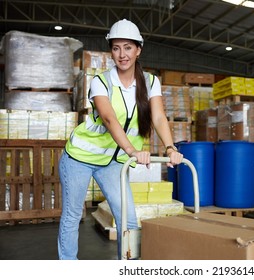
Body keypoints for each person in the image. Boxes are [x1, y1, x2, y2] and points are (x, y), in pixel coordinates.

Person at [57, 19, 183, 260]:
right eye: (116, 48)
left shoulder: (151, 82)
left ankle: (128, 267)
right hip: (80, 158)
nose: (122, 54)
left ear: (139, 49)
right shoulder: (100, 81)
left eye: (128, 47)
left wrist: (170, 147)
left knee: (128, 219)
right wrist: (132, 150)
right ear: (111, 51)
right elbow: (108, 118)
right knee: (72, 216)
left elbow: (158, 117)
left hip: (113, 163)